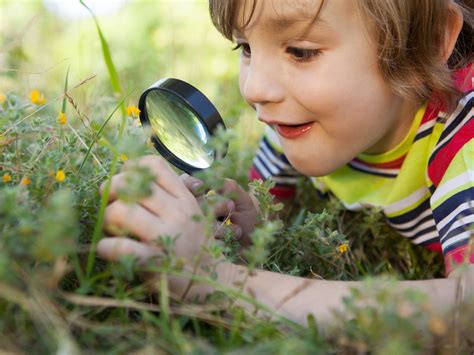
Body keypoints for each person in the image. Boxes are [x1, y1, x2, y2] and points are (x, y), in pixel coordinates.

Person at [97, 0, 473, 328]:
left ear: (429, 39)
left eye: (301, 51)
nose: (255, 89)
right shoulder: (295, 125)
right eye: (245, 47)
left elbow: (464, 311)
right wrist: (251, 231)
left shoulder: (463, 139)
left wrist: (219, 282)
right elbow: (272, 219)